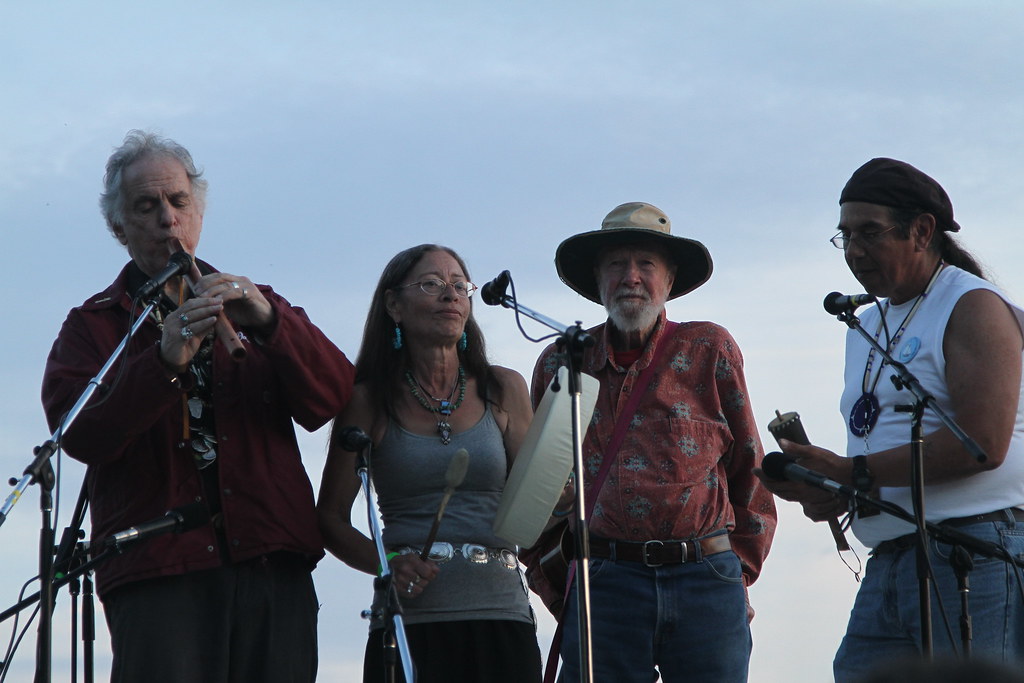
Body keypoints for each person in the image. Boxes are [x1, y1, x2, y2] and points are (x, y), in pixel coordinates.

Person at [41, 130, 355, 683]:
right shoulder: (94, 326)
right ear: (120, 227)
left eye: (178, 202)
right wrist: (160, 364)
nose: (167, 219)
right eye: (147, 206)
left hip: (269, 559)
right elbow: (81, 436)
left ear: (198, 211)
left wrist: (272, 325)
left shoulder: (255, 302)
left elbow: (333, 397)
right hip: (160, 568)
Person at [755, 158, 1024, 681]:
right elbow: (883, 444)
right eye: (845, 235)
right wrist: (833, 487)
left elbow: (982, 445)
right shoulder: (866, 324)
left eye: (870, 233)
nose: (854, 251)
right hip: (894, 557)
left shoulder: (972, 305)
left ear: (922, 231)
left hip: (975, 555)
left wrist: (852, 472)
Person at [525, 202, 777, 682]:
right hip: (605, 584)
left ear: (670, 276)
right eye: (617, 264)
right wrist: (558, 589)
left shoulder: (709, 348)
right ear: (598, 278)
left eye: (646, 264)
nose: (632, 277)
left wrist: (735, 575)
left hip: (705, 576)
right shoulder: (561, 363)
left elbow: (750, 466)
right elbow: (536, 492)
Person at [316, 244, 543, 683]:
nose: (450, 295)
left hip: (502, 617)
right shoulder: (367, 400)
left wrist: (564, 493)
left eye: (460, 285)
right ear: (393, 305)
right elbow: (329, 519)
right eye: (432, 284)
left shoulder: (504, 387)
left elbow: (538, 505)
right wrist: (387, 563)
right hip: (409, 625)